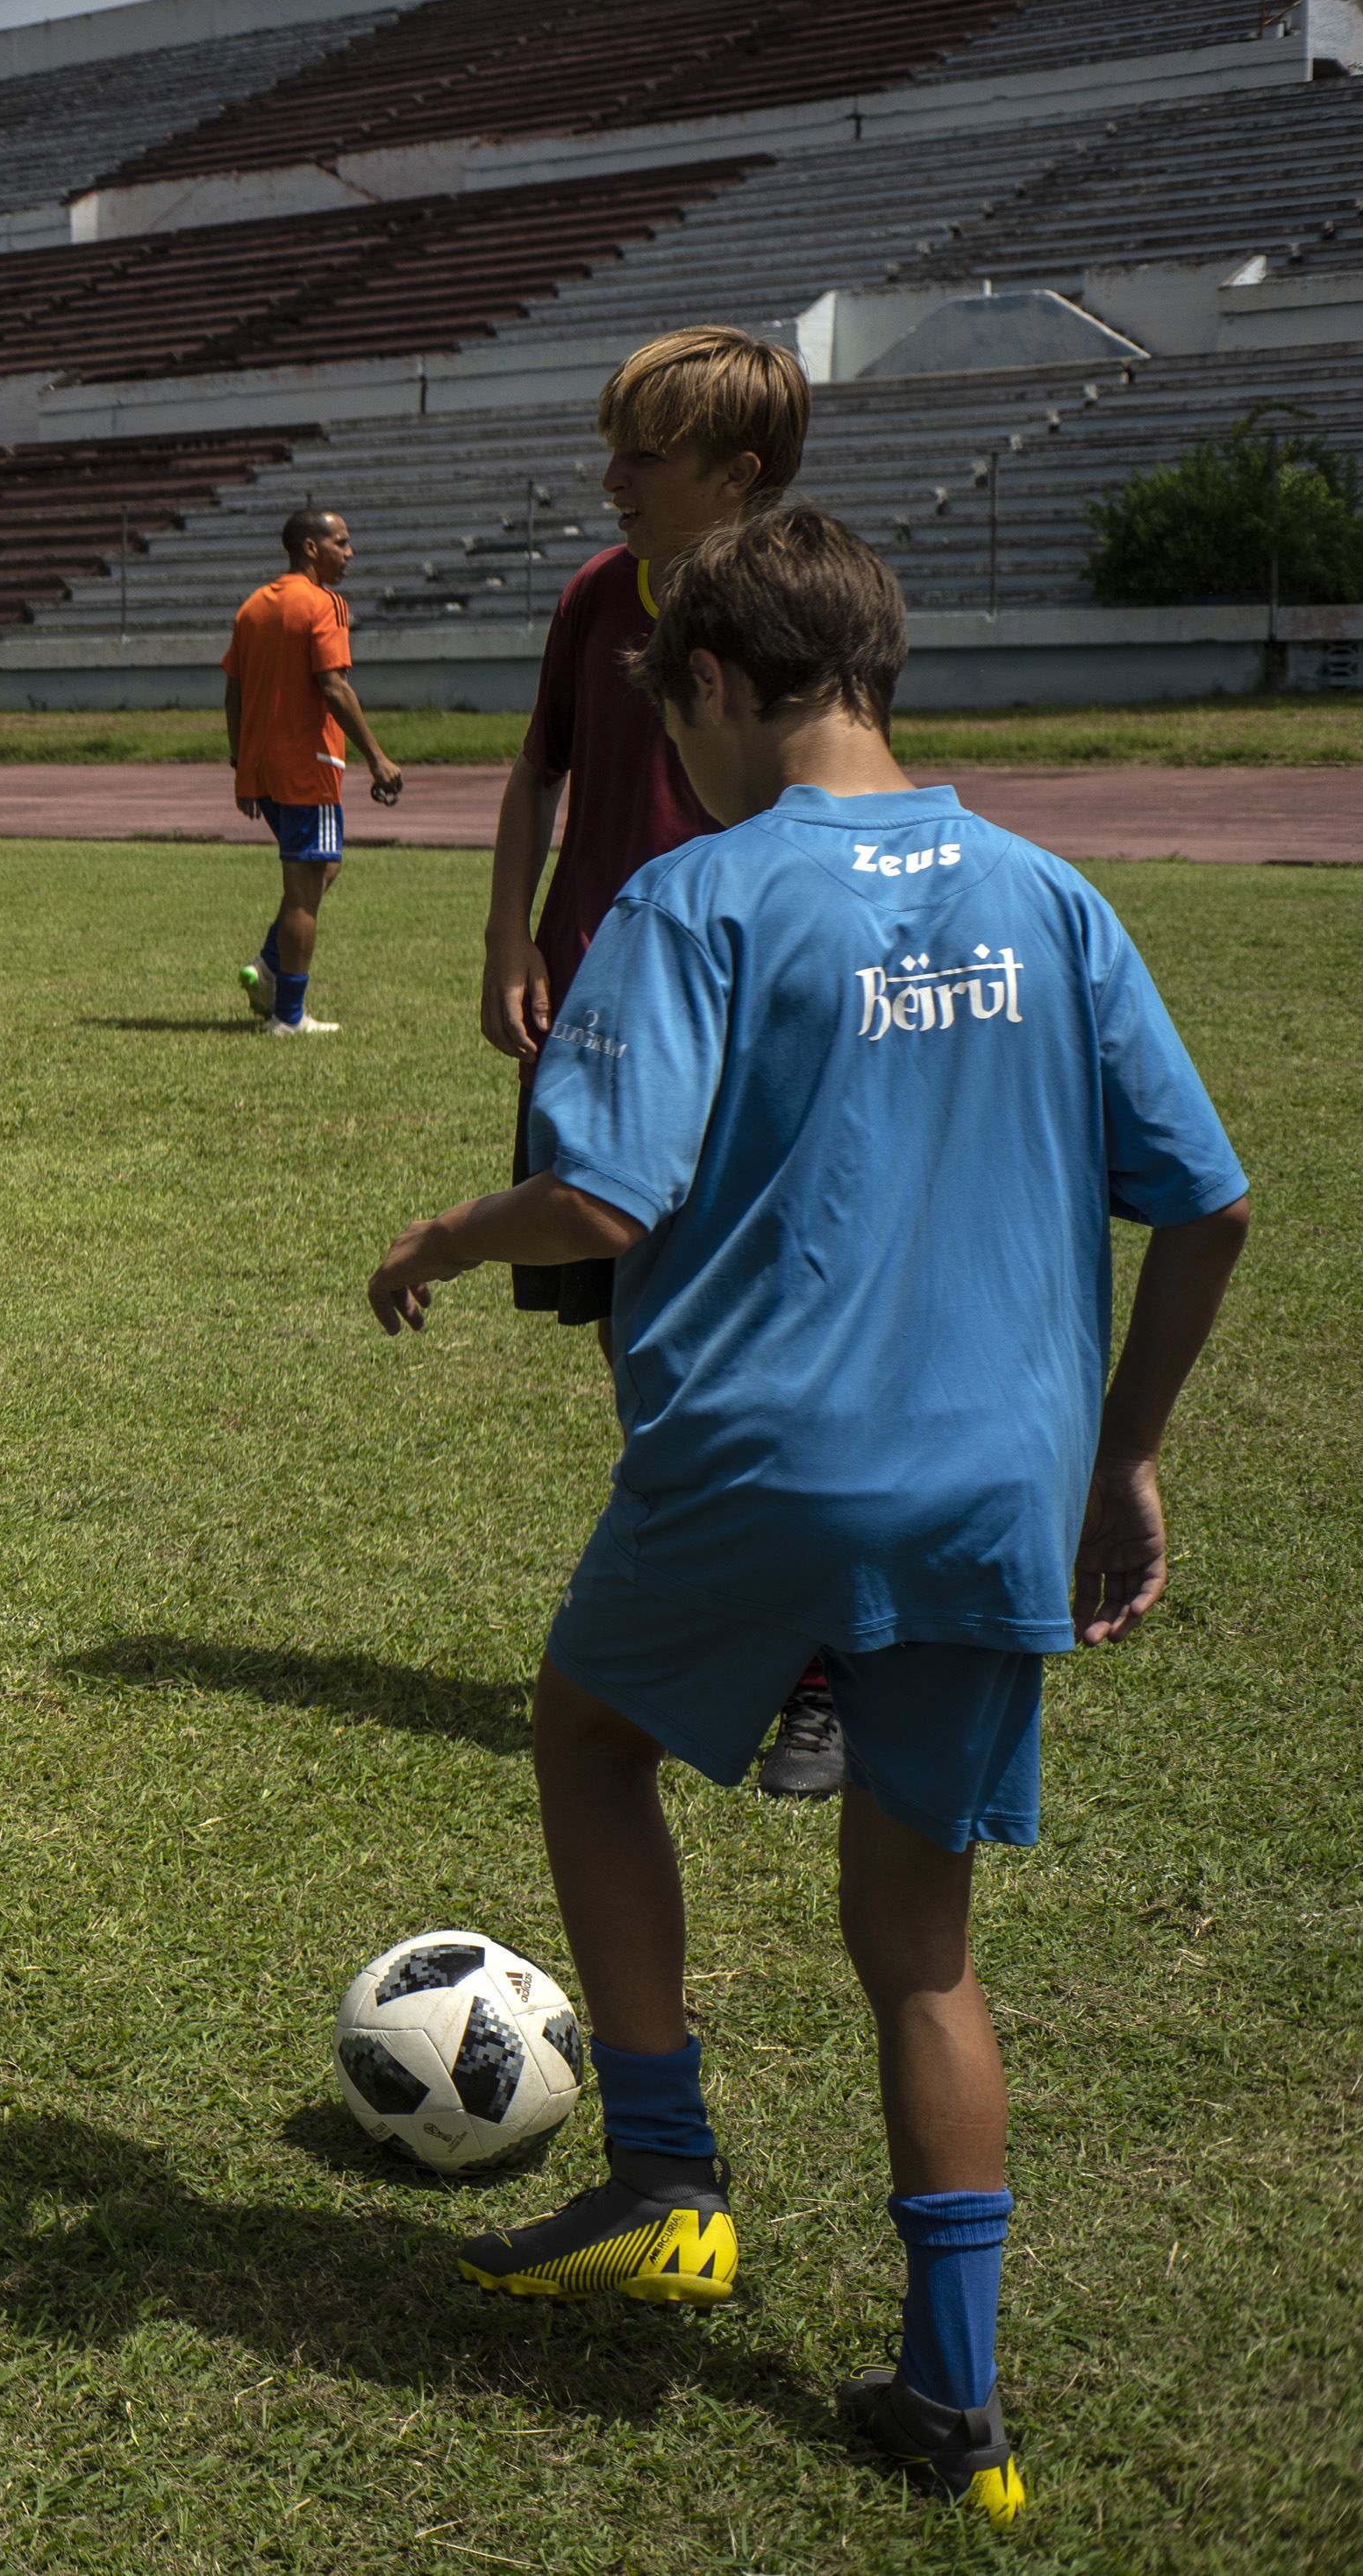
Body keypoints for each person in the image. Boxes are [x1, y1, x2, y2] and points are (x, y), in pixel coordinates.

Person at [364, 509, 1248, 2529]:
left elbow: (600, 1202)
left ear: (732, 688)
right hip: (990, 1496)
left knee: (587, 1735)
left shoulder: (694, 900)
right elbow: (1206, 1200)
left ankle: (664, 2174)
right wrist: (1119, 1455)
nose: (666, 743)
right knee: (917, 1946)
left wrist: (440, 1230)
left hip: (763, 1463)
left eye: (672, 702)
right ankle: (959, 2410)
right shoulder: (1048, 895)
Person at [485, 327, 845, 1796]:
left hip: (747, 1029)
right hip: (607, 1022)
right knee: (645, 1337)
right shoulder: (591, 596)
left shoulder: (799, 609)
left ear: (737, 475)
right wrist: (511, 937)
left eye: (644, 451)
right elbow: (539, 771)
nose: (612, 474)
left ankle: (826, 1668)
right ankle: (740, 1642)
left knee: (754, 1353)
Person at [223, 508, 403, 1033]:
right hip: (309, 767)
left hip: (265, 769)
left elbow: (233, 689)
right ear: (310, 548)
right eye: (341, 543)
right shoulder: (325, 604)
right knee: (306, 886)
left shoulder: (254, 606)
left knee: (323, 867)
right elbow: (334, 686)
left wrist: (241, 762)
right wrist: (377, 756)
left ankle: (268, 963)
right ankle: (289, 1016)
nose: (350, 554)